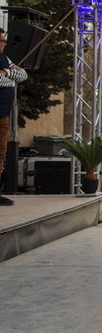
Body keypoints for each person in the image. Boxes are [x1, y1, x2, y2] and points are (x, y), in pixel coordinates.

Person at [0, 28, 28, 206]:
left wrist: (7, 73)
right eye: (2, 41)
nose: (4, 44)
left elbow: (23, 75)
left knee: (0, 153)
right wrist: (10, 79)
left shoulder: (5, 59)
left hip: (3, 114)